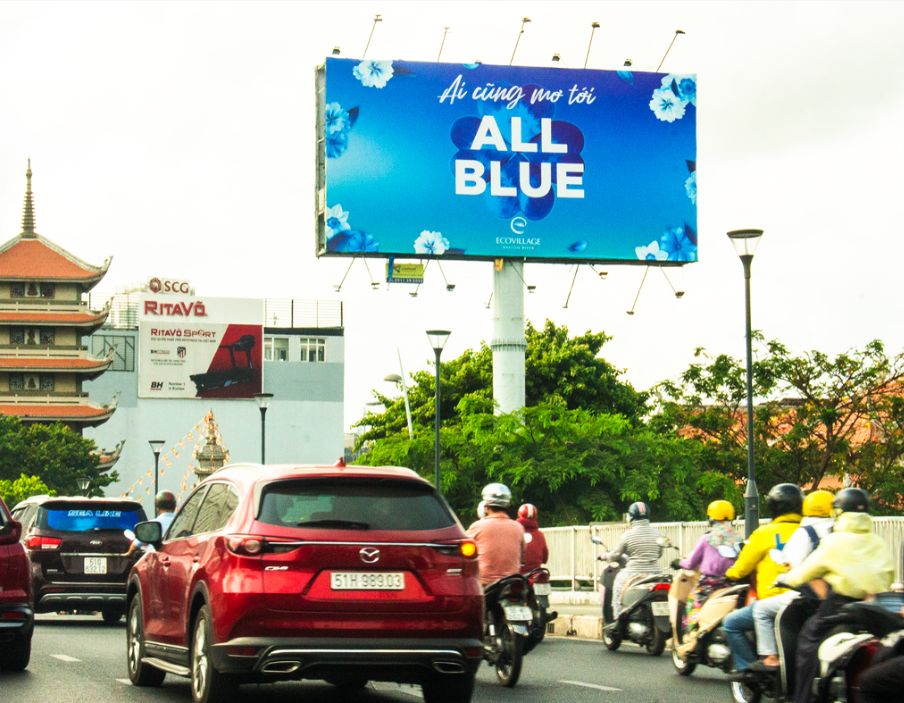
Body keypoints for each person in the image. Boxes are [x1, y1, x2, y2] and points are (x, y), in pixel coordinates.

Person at [776, 487, 894, 703]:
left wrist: (787, 579)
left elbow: (806, 571)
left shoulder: (834, 541)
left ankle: (803, 698)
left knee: (807, 642)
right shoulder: (877, 541)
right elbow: (888, 574)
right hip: (877, 607)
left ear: (838, 513)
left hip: (840, 607)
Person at [747, 489, 835, 671]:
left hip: (809, 596)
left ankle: (770, 657)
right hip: (838, 596)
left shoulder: (804, 533)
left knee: (761, 610)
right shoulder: (839, 532)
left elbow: (791, 563)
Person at [723, 483, 803, 674]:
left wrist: (729, 575)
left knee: (731, 623)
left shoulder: (764, 533)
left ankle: (751, 669)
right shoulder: (808, 532)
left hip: (773, 602)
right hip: (806, 602)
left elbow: (741, 569)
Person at [674, 499, 742, 635]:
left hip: (710, 584)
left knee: (692, 605)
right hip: (733, 584)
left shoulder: (707, 538)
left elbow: (691, 563)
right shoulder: (738, 538)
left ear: (711, 518)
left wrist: (678, 563)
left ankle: (689, 635)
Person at [603, 501, 663, 619]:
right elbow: (659, 554)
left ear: (632, 517)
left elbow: (616, 554)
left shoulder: (628, 535)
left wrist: (606, 556)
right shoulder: (657, 533)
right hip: (655, 573)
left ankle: (618, 618)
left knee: (617, 585)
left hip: (634, 573)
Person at [466, 483, 524, 586]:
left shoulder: (477, 526)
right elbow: (523, 555)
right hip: (512, 582)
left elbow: (463, 550)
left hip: (485, 583)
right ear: (507, 505)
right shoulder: (518, 527)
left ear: (486, 507)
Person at [125, 490, 177, 556]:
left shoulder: (152, 525)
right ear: (175, 506)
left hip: (155, 561)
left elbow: (135, 545)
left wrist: (128, 554)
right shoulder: (184, 523)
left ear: (157, 508)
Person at [516, 503, 549, 574]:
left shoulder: (513, 533)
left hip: (518, 575)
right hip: (536, 574)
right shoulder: (540, 535)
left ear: (519, 514)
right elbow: (545, 559)